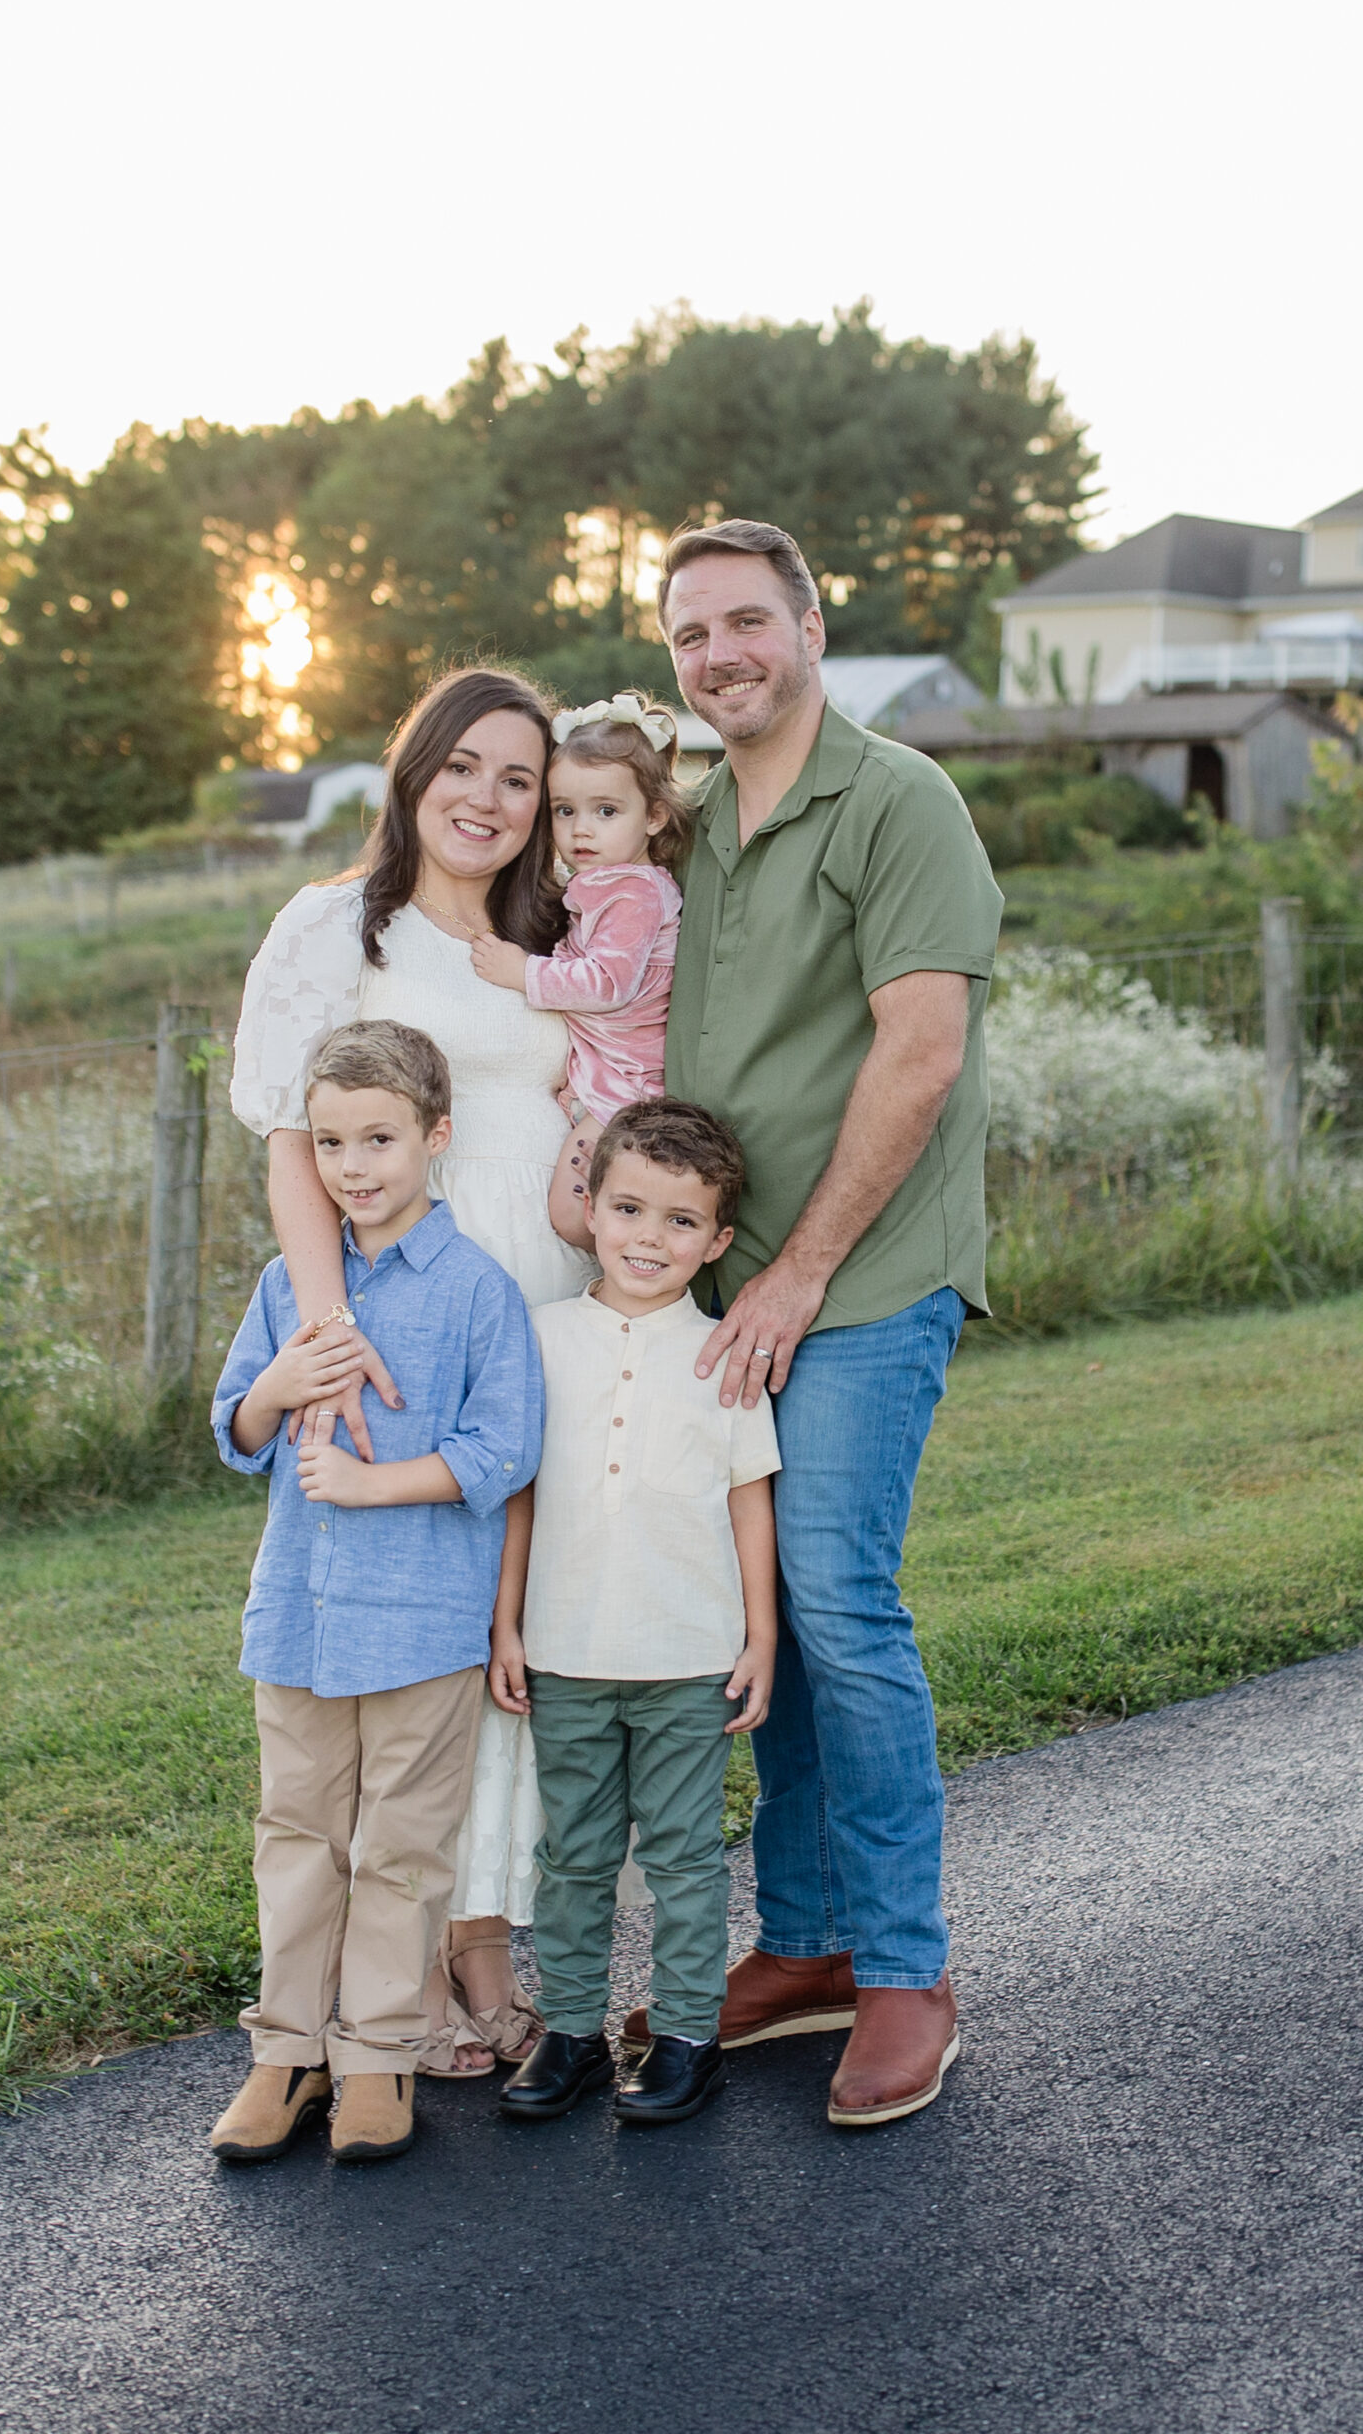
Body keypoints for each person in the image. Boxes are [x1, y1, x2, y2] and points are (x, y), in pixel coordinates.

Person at [627, 517, 1004, 2129]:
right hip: (725, 1296)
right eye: (687, 637)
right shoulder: (693, 824)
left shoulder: (898, 800)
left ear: (806, 625)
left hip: (860, 1281)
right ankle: (808, 1948)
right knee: (750, 1631)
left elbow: (915, 1055)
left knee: (837, 1604)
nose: (717, 656)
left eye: (741, 623)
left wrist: (795, 1272)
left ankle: (906, 1970)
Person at [229, 668, 592, 2077]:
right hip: (400, 1307)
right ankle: (418, 1971)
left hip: (540, 1300)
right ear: (413, 770)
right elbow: (287, 1137)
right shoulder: (336, 928)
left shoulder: (543, 933)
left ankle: (490, 1941)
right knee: (420, 1631)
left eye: (519, 778)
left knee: (521, 1633)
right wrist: (327, 1339)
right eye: (465, 767)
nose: (487, 800)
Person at [207, 1021, 542, 2165]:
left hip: (422, 1625)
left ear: (434, 1138)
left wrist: (371, 1480)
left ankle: (377, 2058)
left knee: (400, 1848)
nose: (354, 1165)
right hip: (297, 1617)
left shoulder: (475, 1292)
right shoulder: (288, 1286)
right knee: (297, 1831)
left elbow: (504, 1450)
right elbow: (235, 1429)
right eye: (334, 1142)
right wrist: (280, 1388)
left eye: (381, 1139)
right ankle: (286, 2052)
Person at [491, 1099, 780, 2129]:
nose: (649, 1239)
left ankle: (689, 2034)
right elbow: (519, 1490)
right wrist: (508, 1623)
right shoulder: (542, 1337)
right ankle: (571, 2030)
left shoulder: (726, 1353)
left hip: (687, 1654)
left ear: (717, 1240)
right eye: (628, 1209)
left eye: (679, 1221)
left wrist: (761, 1634)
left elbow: (751, 1497)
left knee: (684, 1855)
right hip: (566, 1651)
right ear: (589, 1207)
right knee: (572, 1853)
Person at [469, 691, 690, 1244]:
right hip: (609, 1079)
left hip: (627, 1090)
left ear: (655, 815)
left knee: (575, 1216)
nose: (581, 830)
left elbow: (609, 983)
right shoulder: (606, 884)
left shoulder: (634, 895)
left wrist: (524, 973)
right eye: (565, 811)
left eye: (606, 811)